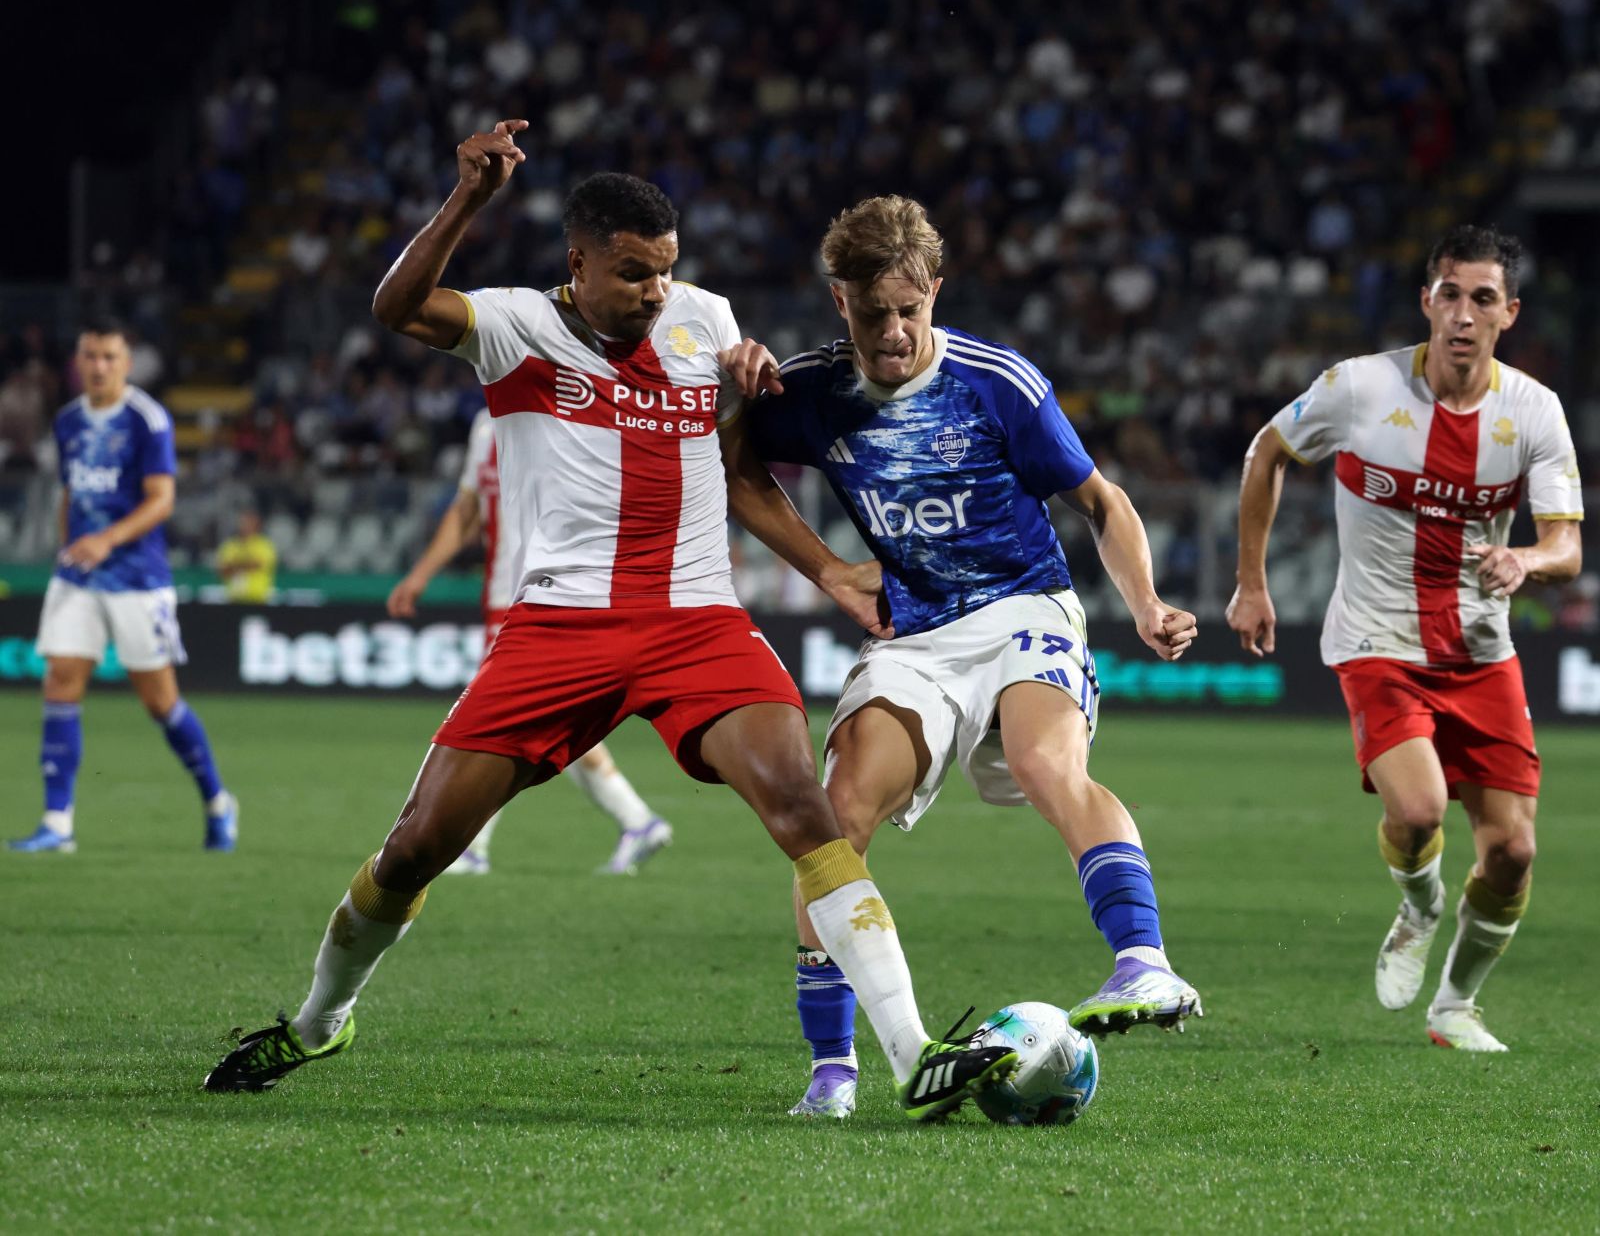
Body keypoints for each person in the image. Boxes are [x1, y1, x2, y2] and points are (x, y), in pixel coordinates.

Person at [205, 123, 1018, 1122]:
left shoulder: (704, 320)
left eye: (665, 271)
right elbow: (397, 307)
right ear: (578, 263)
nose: (655, 293)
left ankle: (914, 1055)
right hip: (560, 628)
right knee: (416, 846)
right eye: (632, 273)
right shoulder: (513, 326)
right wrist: (468, 201)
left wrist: (825, 563)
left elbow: (743, 468)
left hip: (697, 622)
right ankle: (319, 1021)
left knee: (804, 811)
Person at [720, 195, 1203, 1119]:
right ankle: (832, 1070)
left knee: (1045, 762)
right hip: (915, 634)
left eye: (910, 310)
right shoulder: (812, 389)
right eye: (873, 314)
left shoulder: (997, 382)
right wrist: (827, 568)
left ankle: (1144, 961)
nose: (894, 333)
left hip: (1024, 607)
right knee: (837, 812)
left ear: (934, 292)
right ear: (840, 301)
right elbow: (735, 467)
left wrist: (1145, 602)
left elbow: (1101, 502)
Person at [1225, 226, 1584, 1053]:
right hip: (1376, 638)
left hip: (1480, 651)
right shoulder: (1359, 388)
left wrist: (1527, 560)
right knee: (1418, 810)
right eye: (1449, 295)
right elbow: (1267, 452)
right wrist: (1251, 582)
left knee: (1514, 851)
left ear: (1509, 313)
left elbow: (1566, 547)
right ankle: (1420, 907)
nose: (1463, 314)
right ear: (1427, 301)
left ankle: (1454, 1007)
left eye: (1482, 299)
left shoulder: (1533, 411)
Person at [386, 405, 672, 875]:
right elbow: (467, 509)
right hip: (504, 595)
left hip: (550, 595)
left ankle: (474, 846)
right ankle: (637, 821)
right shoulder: (484, 424)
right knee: (536, 719)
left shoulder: (570, 409)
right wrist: (419, 576)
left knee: (503, 718)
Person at [8, 321, 238, 855]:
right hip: (79, 575)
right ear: (78, 362)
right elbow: (70, 492)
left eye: (109, 357)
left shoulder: (146, 420)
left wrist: (105, 540)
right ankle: (57, 823)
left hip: (137, 577)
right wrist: (69, 547)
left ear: (127, 363)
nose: (99, 366)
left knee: (160, 702)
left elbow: (161, 500)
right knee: (60, 681)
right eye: (90, 356)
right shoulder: (68, 421)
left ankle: (217, 801)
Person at [215, 507, 277, 603]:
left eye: (249, 522)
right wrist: (245, 564)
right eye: (243, 522)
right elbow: (222, 570)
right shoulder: (230, 545)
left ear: (257, 525)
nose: (245, 526)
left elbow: (258, 564)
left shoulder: (264, 545)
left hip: (258, 599)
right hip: (234, 599)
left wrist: (234, 565)